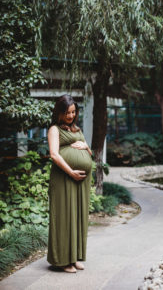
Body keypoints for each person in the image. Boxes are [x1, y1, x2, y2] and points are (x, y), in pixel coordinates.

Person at [47, 94, 92, 273]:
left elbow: (88, 150)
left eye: (73, 112)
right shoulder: (54, 130)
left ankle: (74, 257)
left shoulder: (76, 129)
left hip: (79, 181)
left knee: (78, 216)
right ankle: (62, 261)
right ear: (59, 112)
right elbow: (54, 154)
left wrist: (85, 147)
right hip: (64, 178)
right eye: (67, 112)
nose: (71, 116)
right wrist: (71, 172)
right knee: (64, 216)